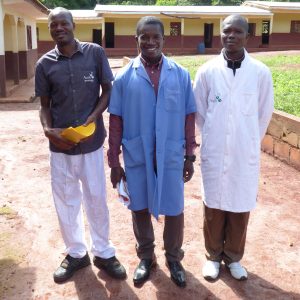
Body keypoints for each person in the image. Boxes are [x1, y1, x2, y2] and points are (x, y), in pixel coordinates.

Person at [35, 7, 126, 283]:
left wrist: (94, 116)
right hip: (61, 147)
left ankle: (103, 252)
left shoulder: (95, 53)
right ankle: (76, 253)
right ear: (50, 29)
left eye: (64, 23)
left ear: (74, 25)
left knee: (96, 198)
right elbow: (44, 106)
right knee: (66, 201)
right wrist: (48, 130)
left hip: (90, 143)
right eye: (54, 25)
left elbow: (107, 90)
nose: (59, 28)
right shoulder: (44, 64)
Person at [108, 16, 197, 287]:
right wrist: (114, 161)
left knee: (174, 207)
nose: (149, 42)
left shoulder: (180, 74)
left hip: (170, 153)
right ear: (136, 39)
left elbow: (189, 117)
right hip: (138, 153)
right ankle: (146, 256)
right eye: (143, 37)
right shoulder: (124, 78)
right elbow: (116, 121)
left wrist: (190, 155)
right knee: (139, 206)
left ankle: (174, 257)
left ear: (163, 40)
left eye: (154, 37)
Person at [193, 14, 274, 281]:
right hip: (214, 150)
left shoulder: (260, 73)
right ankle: (213, 256)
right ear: (221, 34)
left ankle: (234, 258)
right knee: (213, 207)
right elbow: (200, 113)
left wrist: (248, 141)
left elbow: (264, 114)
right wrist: (216, 137)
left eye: (238, 32)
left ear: (247, 36)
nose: (231, 36)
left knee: (240, 207)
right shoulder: (207, 71)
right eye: (227, 31)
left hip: (244, 152)